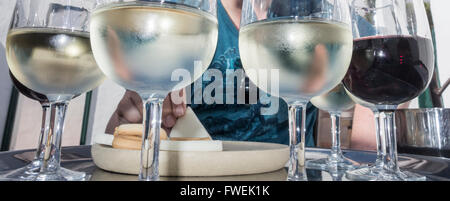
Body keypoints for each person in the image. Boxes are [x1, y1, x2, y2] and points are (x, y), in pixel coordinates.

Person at [105, 0, 378, 149]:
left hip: (289, 171)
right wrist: (132, 114)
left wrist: (364, 143)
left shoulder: (314, 12)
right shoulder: (183, 12)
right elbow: (119, 130)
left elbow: (382, 55)